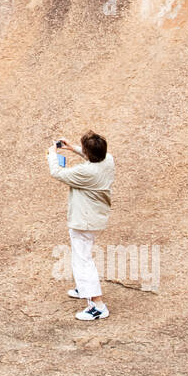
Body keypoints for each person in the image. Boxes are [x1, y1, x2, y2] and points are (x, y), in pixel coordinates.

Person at [49, 132, 115, 320]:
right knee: (82, 256)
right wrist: (72, 148)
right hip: (95, 218)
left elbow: (57, 173)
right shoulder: (108, 160)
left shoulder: (86, 172)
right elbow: (93, 156)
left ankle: (97, 306)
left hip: (84, 222)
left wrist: (53, 154)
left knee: (83, 260)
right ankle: (84, 287)